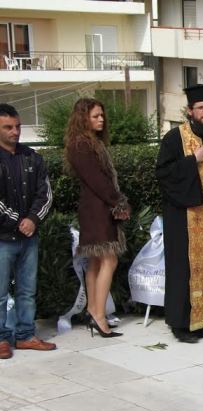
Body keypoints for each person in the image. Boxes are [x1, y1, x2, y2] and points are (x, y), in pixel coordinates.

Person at [155, 84, 203, 343]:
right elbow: (163, 175)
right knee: (183, 271)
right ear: (190, 111)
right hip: (183, 219)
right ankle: (182, 324)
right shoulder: (174, 138)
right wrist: (193, 161)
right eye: (200, 108)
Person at [64, 98, 130, 339]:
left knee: (95, 262)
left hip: (96, 207)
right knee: (108, 260)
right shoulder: (81, 144)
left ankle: (94, 311)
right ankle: (98, 315)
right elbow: (96, 180)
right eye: (95, 116)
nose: (101, 119)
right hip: (97, 208)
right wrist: (118, 201)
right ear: (83, 118)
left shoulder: (89, 142)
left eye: (102, 115)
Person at [0, 103, 55, 360]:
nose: (15, 131)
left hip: (29, 238)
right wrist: (18, 221)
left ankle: (25, 336)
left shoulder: (33, 157)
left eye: (18, 126)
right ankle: (1, 339)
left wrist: (32, 220)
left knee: (27, 290)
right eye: (8, 127)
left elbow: (45, 194)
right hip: (2, 239)